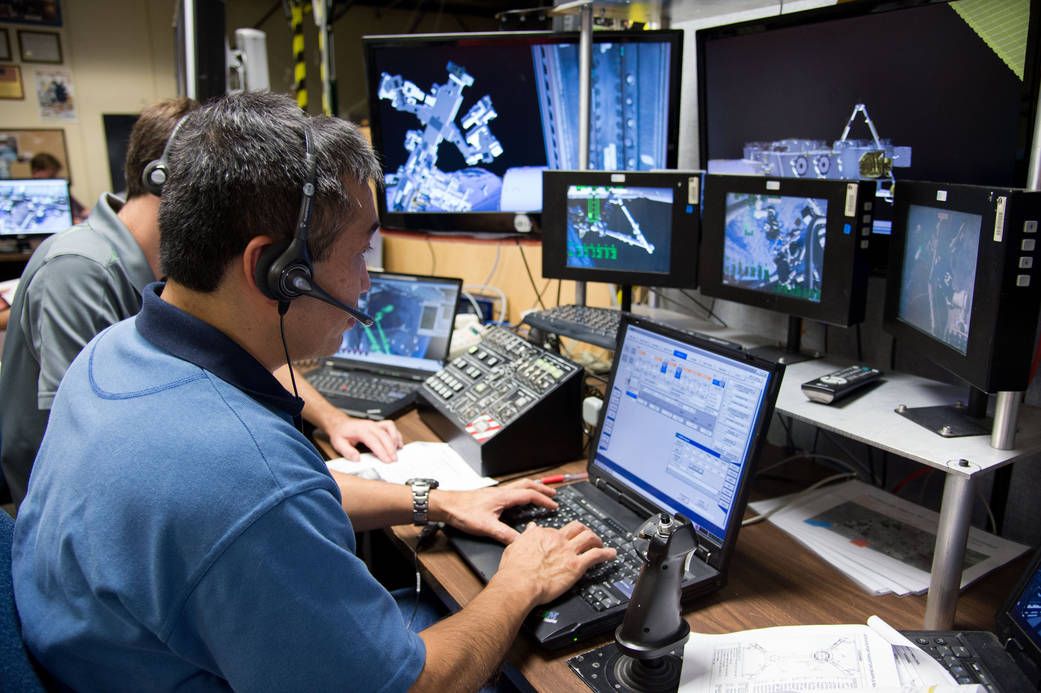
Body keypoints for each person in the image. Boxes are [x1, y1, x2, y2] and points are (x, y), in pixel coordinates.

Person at [11, 91, 615, 692]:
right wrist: (522, 582)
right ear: (275, 271)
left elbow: (285, 500)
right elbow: (410, 685)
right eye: (359, 252)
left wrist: (435, 501)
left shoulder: (113, 353)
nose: (367, 280)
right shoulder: (243, 478)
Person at [0, 98, 403, 508]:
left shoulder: (151, 313)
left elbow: (239, 349)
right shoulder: (80, 271)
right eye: (359, 253)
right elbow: (110, 459)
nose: (365, 281)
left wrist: (332, 420)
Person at [28, 151, 88, 224]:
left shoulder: (58, 191)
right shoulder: (31, 196)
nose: (54, 180)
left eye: (55, 177)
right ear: (36, 172)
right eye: (51, 177)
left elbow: (82, 211)